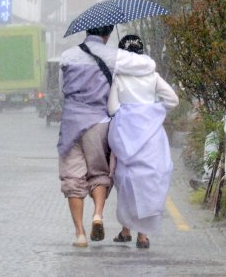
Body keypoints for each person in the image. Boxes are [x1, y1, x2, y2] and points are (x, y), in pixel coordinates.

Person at [58, 25, 157, 248]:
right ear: (109, 33)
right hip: (99, 123)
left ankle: (80, 234)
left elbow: (61, 89)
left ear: (86, 31)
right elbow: (145, 66)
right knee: (99, 174)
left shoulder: (66, 56)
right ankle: (98, 215)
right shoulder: (114, 57)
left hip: (71, 123)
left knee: (72, 178)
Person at [107, 35, 179, 249]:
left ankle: (126, 230)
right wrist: (152, 110)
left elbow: (112, 109)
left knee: (126, 180)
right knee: (149, 182)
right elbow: (173, 100)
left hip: (126, 136)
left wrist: (128, 112)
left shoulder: (118, 77)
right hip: (151, 137)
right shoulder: (153, 76)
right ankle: (143, 235)